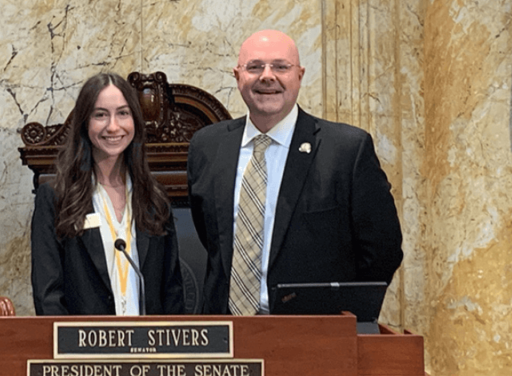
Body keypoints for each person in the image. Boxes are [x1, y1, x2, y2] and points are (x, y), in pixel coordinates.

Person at [187, 30, 403, 315]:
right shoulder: (207, 146)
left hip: (314, 336)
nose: (267, 76)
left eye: (280, 66)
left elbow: (382, 250)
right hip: (225, 334)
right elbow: (212, 236)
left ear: (299, 75)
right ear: (238, 76)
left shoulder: (346, 150)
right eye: (254, 67)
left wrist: (344, 314)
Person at [32, 72, 184, 315]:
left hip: (149, 347)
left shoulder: (154, 198)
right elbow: (48, 295)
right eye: (100, 115)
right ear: (85, 122)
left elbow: (172, 292)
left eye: (123, 113)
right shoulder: (56, 198)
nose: (113, 126)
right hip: (84, 347)